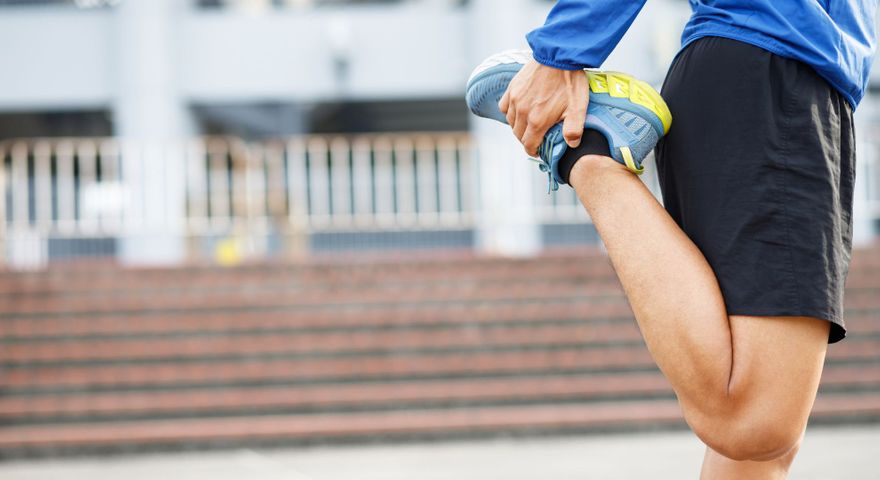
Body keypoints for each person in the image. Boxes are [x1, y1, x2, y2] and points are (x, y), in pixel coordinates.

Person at [465, 1, 878, 478]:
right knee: (754, 423)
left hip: (801, 82)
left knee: (758, 452)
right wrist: (563, 50)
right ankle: (588, 147)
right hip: (767, 66)